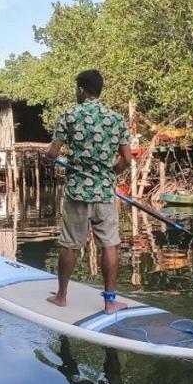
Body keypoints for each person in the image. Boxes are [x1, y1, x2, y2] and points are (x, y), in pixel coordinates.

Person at [45, 69, 132, 315]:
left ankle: (61, 296)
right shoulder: (116, 119)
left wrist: (48, 158)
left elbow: (53, 153)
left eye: (76, 89)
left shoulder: (70, 115)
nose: (76, 93)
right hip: (104, 192)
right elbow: (126, 159)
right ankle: (109, 303)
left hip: (77, 192)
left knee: (70, 244)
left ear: (82, 89)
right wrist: (109, 174)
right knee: (109, 245)